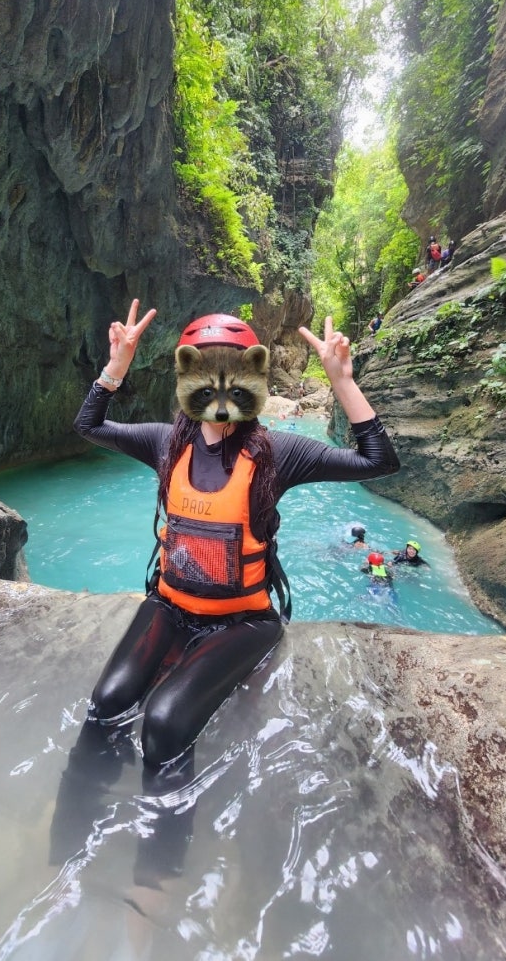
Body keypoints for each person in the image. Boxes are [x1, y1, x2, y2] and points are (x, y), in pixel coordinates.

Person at [73, 300, 400, 767]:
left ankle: (166, 814)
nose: (222, 406)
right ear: (187, 379)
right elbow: (88, 425)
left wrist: (342, 381)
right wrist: (116, 368)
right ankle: (80, 804)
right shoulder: (166, 443)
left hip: (242, 620)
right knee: (106, 702)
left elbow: (378, 461)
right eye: (207, 388)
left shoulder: (276, 453)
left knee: (164, 722)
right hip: (170, 604)